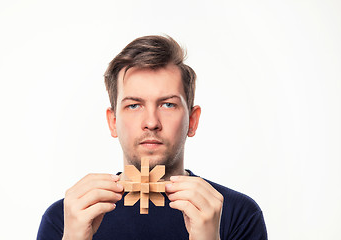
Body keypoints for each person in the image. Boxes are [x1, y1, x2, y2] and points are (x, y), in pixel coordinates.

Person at [37, 35, 267, 240]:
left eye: (168, 104)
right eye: (134, 105)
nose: (151, 122)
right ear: (113, 122)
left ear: (192, 121)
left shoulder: (237, 213)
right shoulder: (66, 217)